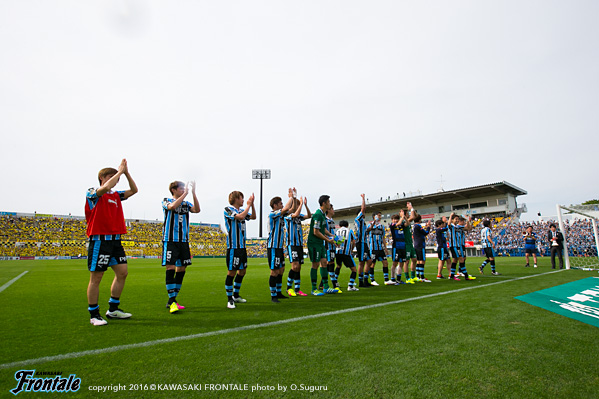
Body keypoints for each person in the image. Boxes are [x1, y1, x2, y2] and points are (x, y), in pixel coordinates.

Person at [85, 158, 138, 326]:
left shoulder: (116, 195)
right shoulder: (93, 192)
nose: (116, 180)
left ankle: (113, 309)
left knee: (122, 272)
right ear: (103, 177)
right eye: (113, 176)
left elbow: (134, 190)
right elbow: (105, 187)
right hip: (100, 239)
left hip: (116, 240)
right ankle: (94, 314)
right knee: (96, 277)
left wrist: (126, 173)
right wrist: (120, 171)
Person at [162, 180, 200, 313]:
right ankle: (172, 301)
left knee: (182, 269)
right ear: (174, 190)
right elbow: (172, 207)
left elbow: (197, 209)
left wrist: (193, 193)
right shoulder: (166, 200)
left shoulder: (186, 204)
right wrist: (185, 195)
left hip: (183, 241)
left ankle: (172, 300)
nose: (183, 190)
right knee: (170, 267)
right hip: (170, 240)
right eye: (181, 188)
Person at [224, 191, 256, 309]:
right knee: (231, 272)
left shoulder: (242, 210)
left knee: (242, 271)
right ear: (236, 198)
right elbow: (241, 217)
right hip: (234, 247)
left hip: (242, 247)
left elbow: (253, 217)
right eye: (242, 198)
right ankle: (229, 299)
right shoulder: (228, 209)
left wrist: (251, 204)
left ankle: (236, 295)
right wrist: (248, 205)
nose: (243, 200)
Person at [307, 195, 338, 295]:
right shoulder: (317, 215)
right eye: (328, 202)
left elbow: (322, 228)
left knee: (324, 262)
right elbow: (316, 232)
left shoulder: (323, 215)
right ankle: (314, 289)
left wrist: (330, 235)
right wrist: (328, 240)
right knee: (315, 264)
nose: (330, 203)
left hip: (320, 243)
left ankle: (326, 287)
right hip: (314, 243)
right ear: (324, 203)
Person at [267, 189, 294, 303]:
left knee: (281, 270)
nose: (282, 205)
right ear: (275, 205)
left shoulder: (281, 216)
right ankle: (273, 295)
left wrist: (295, 198)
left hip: (279, 247)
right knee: (274, 271)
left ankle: (278, 292)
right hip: (273, 247)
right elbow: (287, 209)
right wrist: (291, 197)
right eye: (280, 203)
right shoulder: (272, 214)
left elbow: (291, 209)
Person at [284, 195, 311, 297]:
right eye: (297, 206)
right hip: (292, 244)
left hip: (299, 244)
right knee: (294, 267)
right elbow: (295, 215)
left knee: (298, 268)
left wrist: (305, 205)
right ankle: (288, 288)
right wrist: (298, 202)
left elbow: (308, 216)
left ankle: (297, 289)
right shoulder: (287, 216)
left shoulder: (299, 216)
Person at [448, 213, 476, 281]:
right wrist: (451, 216)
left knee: (455, 260)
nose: (457, 220)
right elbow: (448, 224)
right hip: (454, 245)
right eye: (456, 219)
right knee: (461, 259)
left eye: (458, 219)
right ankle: (466, 276)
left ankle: (452, 275)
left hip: (458, 245)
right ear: (452, 220)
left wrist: (468, 221)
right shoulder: (451, 226)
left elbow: (468, 228)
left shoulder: (458, 227)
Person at [335, 220, 360, 291]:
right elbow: (354, 241)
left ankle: (335, 283)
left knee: (338, 266)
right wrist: (351, 250)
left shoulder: (337, 231)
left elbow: (337, 242)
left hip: (338, 252)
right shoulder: (349, 231)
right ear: (347, 225)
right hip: (346, 252)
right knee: (354, 269)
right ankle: (351, 286)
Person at [355, 194, 374, 287]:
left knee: (369, 261)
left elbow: (366, 231)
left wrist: (373, 224)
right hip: (361, 243)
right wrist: (363, 198)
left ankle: (365, 280)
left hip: (364, 243)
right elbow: (363, 208)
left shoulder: (363, 222)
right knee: (362, 262)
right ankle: (361, 282)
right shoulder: (358, 219)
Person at [389, 213, 410, 284]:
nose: (395, 220)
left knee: (401, 263)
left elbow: (407, 223)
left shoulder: (401, 225)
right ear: (392, 220)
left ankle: (398, 279)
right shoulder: (392, 225)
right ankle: (392, 279)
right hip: (396, 246)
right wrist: (402, 217)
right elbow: (398, 223)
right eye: (394, 219)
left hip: (402, 246)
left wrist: (404, 217)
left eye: (396, 219)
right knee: (395, 263)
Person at [412, 214, 432, 282]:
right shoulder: (418, 226)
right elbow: (425, 233)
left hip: (416, 244)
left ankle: (418, 276)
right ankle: (422, 277)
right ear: (419, 220)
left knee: (418, 260)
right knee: (422, 260)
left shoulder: (414, 226)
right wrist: (428, 227)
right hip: (420, 245)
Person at [404, 203, 419, 283]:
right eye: (407, 213)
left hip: (410, 243)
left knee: (414, 259)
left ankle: (413, 276)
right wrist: (411, 208)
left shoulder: (408, 220)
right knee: (407, 261)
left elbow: (415, 216)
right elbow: (413, 217)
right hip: (406, 244)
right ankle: (407, 278)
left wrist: (412, 209)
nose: (409, 214)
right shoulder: (404, 221)